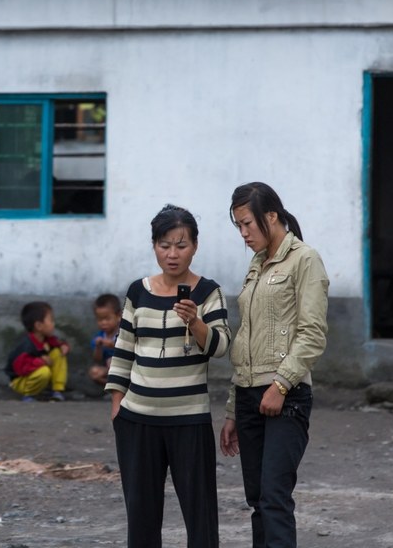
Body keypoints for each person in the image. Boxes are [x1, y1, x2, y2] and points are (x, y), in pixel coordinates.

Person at [105, 204, 231, 548]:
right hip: (137, 420)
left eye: (181, 245)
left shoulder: (208, 292)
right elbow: (124, 348)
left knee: (200, 514)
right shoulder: (138, 291)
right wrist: (118, 404)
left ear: (195, 246)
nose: (172, 254)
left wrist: (195, 321)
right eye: (164, 245)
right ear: (154, 245)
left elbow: (221, 347)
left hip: (189, 420)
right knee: (142, 517)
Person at [219, 182, 329, 548]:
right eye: (238, 226)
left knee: (274, 497)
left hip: (287, 395)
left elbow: (313, 333)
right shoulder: (256, 264)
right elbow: (245, 341)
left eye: (247, 223)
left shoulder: (305, 259)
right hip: (249, 396)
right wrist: (235, 408)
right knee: (257, 501)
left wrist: (280, 385)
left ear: (271, 216)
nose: (244, 233)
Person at [5, 301, 70, 402]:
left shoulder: (47, 339)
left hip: (35, 376)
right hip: (21, 381)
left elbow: (57, 343)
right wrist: (41, 362)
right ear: (39, 326)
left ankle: (57, 390)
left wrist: (64, 346)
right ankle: (29, 395)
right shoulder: (26, 345)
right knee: (44, 372)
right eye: (51, 320)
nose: (54, 324)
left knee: (58, 353)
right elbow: (22, 368)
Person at [87, 293, 122, 386]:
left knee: (111, 362)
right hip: (108, 369)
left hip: (125, 368)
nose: (103, 323)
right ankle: (112, 387)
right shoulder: (100, 336)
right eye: (100, 319)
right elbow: (97, 359)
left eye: (107, 319)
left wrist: (113, 345)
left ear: (118, 316)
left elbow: (130, 349)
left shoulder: (123, 333)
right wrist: (98, 347)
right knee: (94, 372)